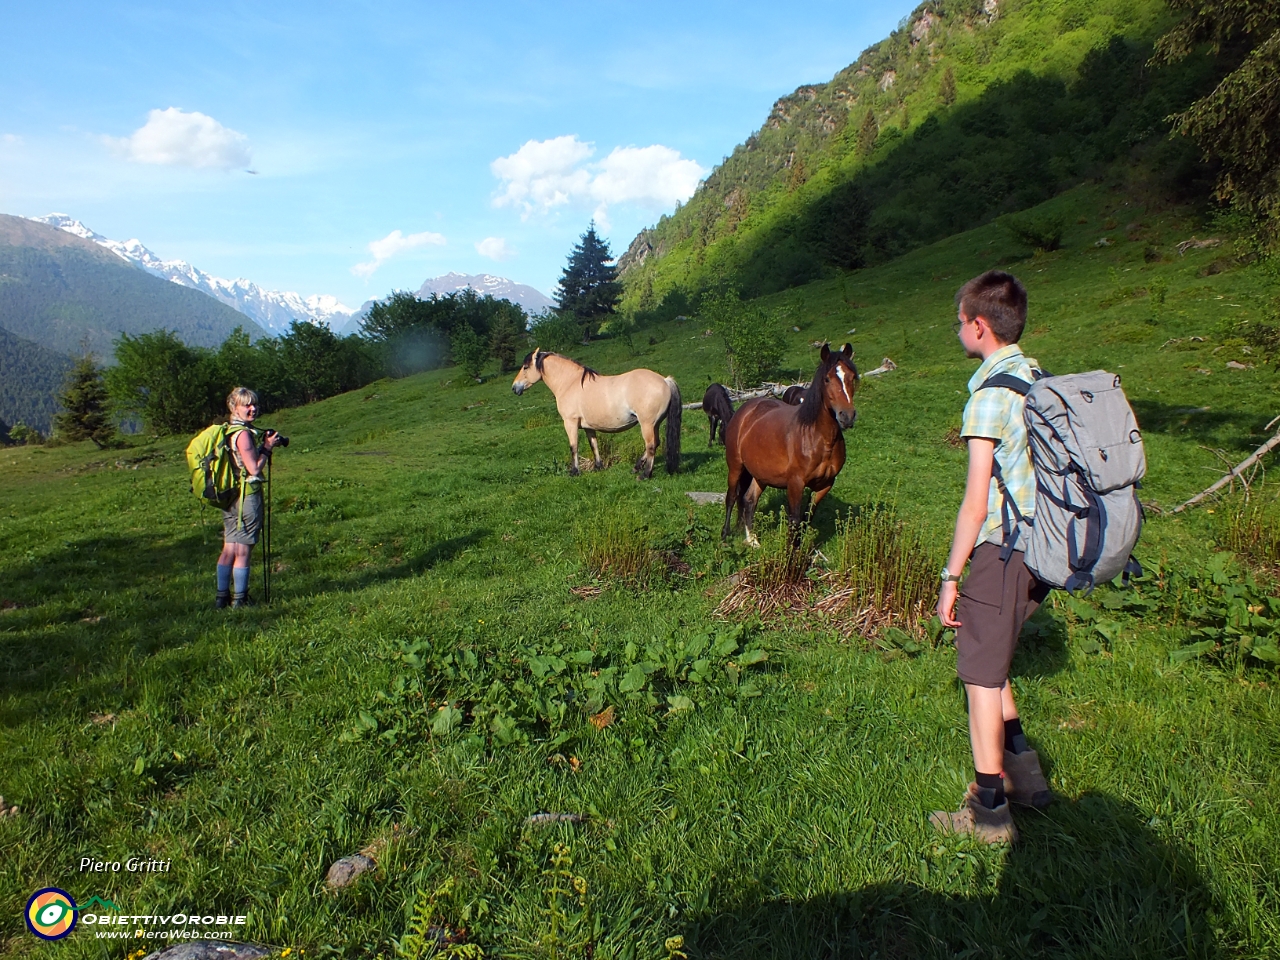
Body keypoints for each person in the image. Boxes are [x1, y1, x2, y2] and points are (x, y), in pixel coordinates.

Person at [931, 270, 1053, 845]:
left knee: (979, 676)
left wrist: (951, 577)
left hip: (1000, 552)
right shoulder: (1038, 378)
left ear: (979, 327)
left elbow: (975, 503)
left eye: (960, 322)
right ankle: (1026, 776)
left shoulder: (989, 396)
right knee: (998, 659)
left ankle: (988, 810)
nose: (959, 331)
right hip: (1045, 548)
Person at [215, 387, 282, 609]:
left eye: (254, 404)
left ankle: (221, 597)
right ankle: (240, 599)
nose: (253, 408)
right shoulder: (243, 435)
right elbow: (253, 468)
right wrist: (267, 448)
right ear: (234, 408)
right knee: (243, 549)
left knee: (229, 547)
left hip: (230, 495)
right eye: (247, 405)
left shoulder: (227, 431)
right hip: (247, 496)